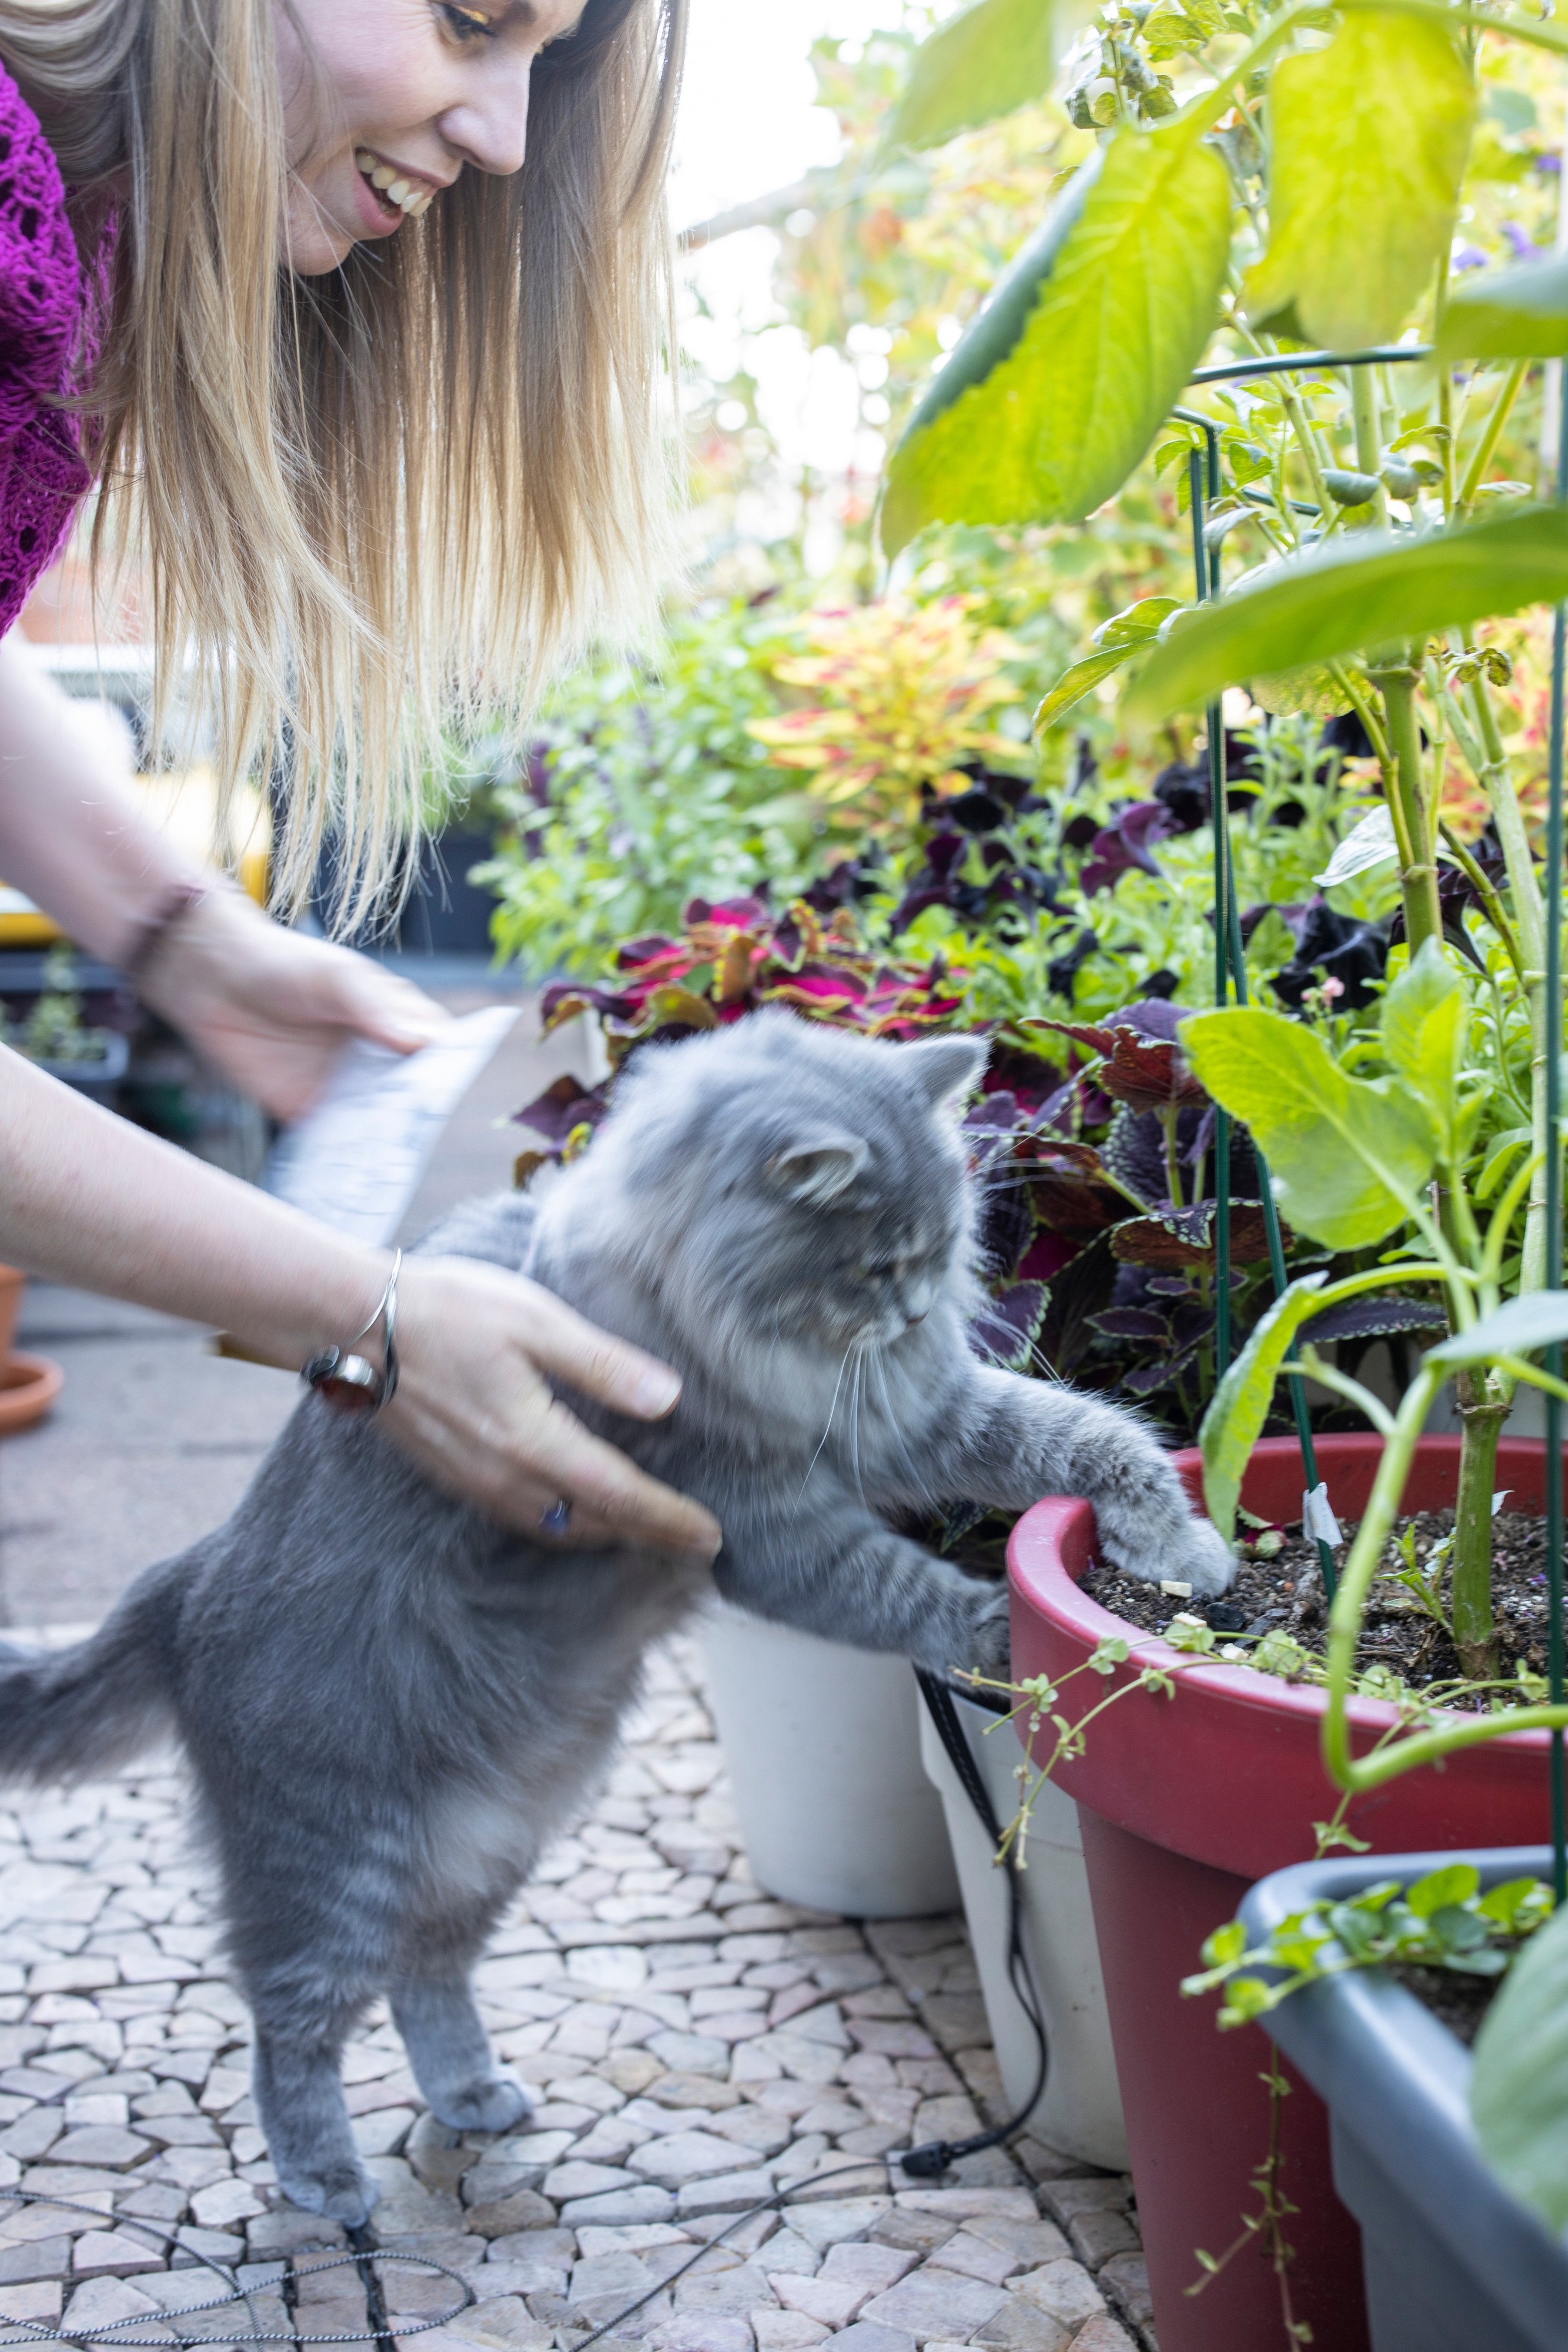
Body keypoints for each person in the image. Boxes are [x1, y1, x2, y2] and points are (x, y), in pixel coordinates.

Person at [0, 0, 721, 1562]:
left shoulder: (75, 245)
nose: (507, 137)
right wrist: (371, 1313)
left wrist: (194, 946)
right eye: (474, 18)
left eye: (544, 61)